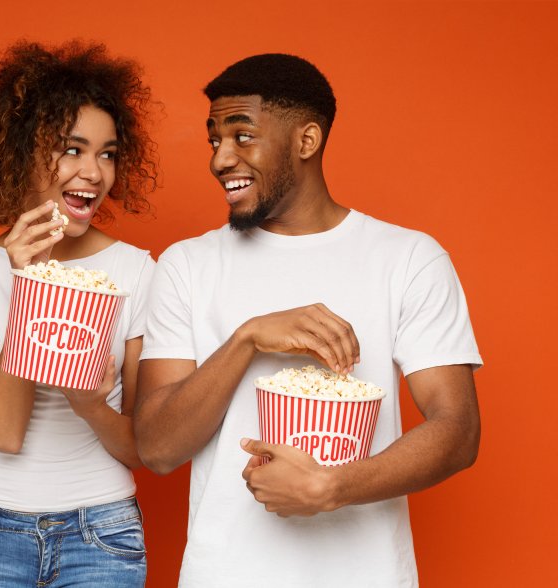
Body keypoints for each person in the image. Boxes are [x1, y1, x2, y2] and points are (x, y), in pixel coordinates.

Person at [135, 53, 481, 587]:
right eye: (214, 139)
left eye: (242, 135)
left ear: (306, 141)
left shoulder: (408, 258)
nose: (220, 159)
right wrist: (247, 339)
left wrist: (332, 487)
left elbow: (457, 430)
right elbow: (157, 448)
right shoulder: (188, 264)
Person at [0, 40, 158, 587]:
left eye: (106, 153)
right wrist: (28, 283)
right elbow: (5, 431)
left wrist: (91, 405)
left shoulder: (137, 272)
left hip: (103, 535)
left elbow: (142, 448)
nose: (94, 173)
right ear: (19, 152)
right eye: (71, 149)